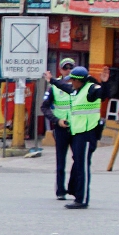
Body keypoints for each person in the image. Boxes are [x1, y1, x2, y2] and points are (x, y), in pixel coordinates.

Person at [45, 65, 114, 209]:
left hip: (87, 133)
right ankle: (76, 193)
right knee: (78, 165)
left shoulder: (91, 89)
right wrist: (51, 80)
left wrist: (105, 82)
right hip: (77, 133)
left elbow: (103, 94)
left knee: (83, 167)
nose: (71, 83)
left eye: (73, 81)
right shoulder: (77, 91)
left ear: (79, 80)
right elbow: (64, 87)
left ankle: (82, 199)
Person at [41, 58, 77, 200]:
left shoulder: (79, 87)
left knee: (78, 159)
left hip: (77, 128)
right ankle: (60, 190)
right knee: (61, 160)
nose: (68, 70)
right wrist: (56, 120)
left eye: (71, 68)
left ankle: (73, 187)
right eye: (65, 68)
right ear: (61, 70)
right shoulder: (54, 87)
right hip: (61, 127)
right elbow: (44, 107)